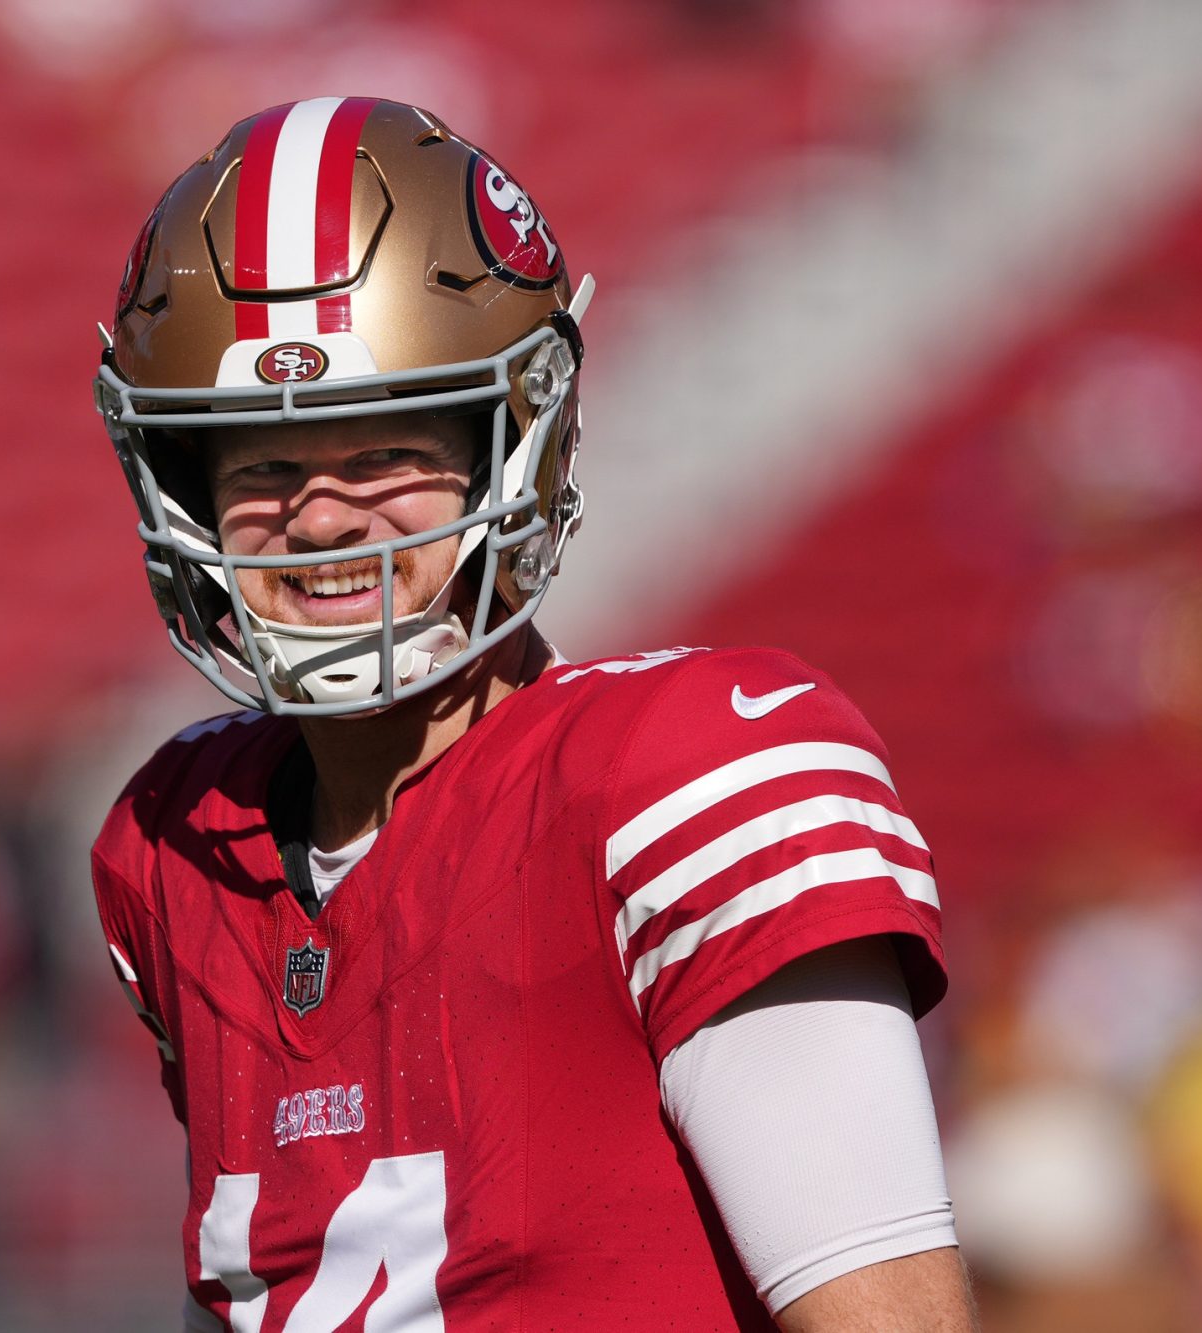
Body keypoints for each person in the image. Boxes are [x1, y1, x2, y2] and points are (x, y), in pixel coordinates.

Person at [89, 96, 975, 1331]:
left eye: (383, 451)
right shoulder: (177, 844)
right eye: (264, 467)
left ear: (513, 447)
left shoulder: (682, 771)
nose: (326, 516)